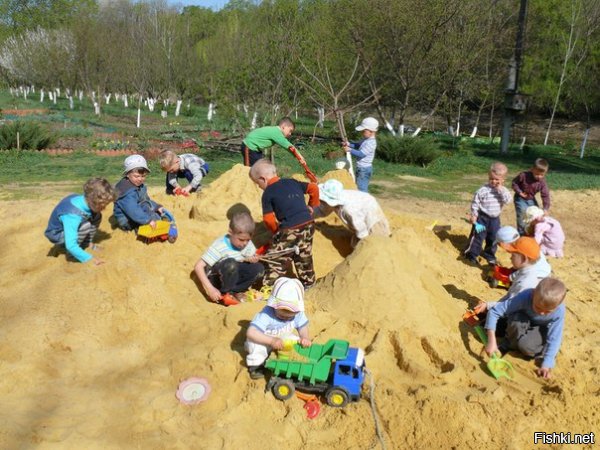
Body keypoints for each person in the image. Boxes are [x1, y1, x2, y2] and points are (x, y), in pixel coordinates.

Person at [249, 159, 319, 288]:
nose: (259, 187)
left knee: (276, 258)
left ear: (263, 179)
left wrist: (276, 233)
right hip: (309, 224)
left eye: (257, 183)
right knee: (304, 253)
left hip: (289, 229)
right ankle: (308, 283)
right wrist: (311, 206)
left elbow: (269, 219)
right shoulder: (292, 182)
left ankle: (269, 288)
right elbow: (313, 188)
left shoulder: (268, 193)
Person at [483, 277, 567, 379]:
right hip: (522, 319)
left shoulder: (559, 311)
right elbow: (495, 311)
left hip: (540, 329)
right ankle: (509, 344)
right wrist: (491, 341)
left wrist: (546, 365)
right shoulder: (526, 296)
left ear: (557, 306)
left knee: (526, 347)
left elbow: (554, 337)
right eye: (538, 307)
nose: (541, 312)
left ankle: (534, 349)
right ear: (533, 294)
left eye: (547, 312)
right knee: (514, 319)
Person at [245, 277, 311, 379]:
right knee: (257, 348)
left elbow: (302, 326)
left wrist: (304, 337)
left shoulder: (298, 313)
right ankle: (256, 366)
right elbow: (251, 333)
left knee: (295, 340)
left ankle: (282, 359)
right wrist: (271, 341)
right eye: (281, 315)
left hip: (281, 338)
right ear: (273, 306)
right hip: (264, 339)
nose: (285, 318)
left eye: (290, 316)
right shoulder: (266, 314)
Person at [193, 212, 264, 306]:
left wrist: (253, 259)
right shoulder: (220, 246)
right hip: (217, 278)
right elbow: (198, 266)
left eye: (248, 240)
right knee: (231, 264)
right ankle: (224, 294)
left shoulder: (247, 244)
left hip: (233, 276)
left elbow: (247, 260)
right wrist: (210, 289)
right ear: (230, 232)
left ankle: (235, 292)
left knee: (258, 268)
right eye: (241, 240)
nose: (245, 243)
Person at [44, 178, 117, 265]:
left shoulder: (85, 200)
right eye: (102, 205)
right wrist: (89, 259)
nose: (104, 208)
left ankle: (86, 243)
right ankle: (72, 255)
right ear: (92, 201)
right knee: (85, 226)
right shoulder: (72, 216)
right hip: (57, 234)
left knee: (97, 216)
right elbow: (70, 245)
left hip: (71, 224)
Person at [475, 237, 547, 316]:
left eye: (513, 255)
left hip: (517, 316)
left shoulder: (525, 283)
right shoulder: (524, 271)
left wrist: (488, 306)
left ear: (524, 259)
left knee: (490, 316)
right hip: (513, 307)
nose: (510, 257)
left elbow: (510, 305)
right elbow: (508, 297)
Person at [313, 179, 390, 247]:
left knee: (376, 242)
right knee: (356, 243)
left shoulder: (349, 210)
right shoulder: (332, 202)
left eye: (322, 200)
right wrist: (306, 215)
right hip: (359, 207)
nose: (320, 201)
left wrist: (363, 242)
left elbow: (361, 230)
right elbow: (321, 210)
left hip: (370, 210)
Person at [464, 162, 512, 266]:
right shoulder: (483, 190)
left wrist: (500, 190)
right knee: (478, 236)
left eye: (497, 180)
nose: (493, 181)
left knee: (493, 238)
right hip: (482, 218)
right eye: (491, 178)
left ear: (503, 180)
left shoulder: (503, 191)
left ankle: (489, 255)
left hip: (495, 219)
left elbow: (508, 200)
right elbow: (475, 203)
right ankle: (471, 254)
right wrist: (474, 215)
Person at [113, 154, 165, 231]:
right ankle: (146, 228)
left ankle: (158, 222)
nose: (140, 179)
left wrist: (157, 207)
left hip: (138, 212)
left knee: (151, 209)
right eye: (136, 176)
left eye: (143, 176)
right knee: (147, 212)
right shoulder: (125, 190)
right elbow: (133, 210)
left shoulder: (140, 186)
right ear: (127, 174)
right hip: (126, 219)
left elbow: (146, 201)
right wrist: (148, 220)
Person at [241, 116, 307, 168]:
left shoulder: (274, 130)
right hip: (249, 147)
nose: (290, 134)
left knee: (260, 168)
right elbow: (289, 146)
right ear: (284, 126)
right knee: (251, 169)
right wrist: (300, 157)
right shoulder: (277, 133)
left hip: (254, 149)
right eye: (290, 130)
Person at [512, 158, 551, 235]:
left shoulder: (542, 182)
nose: (539, 176)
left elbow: (545, 195)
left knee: (536, 215)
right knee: (522, 215)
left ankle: (533, 232)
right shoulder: (523, 175)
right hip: (520, 198)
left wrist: (545, 208)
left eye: (541, 175)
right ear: (532, 169)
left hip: (531, 199)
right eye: (537, 174)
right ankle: (521, 234)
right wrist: (519, 192)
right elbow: (514, 183)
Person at [343, 117, 379, 192]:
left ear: (371, 131)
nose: (362, 133)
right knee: (358, 186)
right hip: (360, 168)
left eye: (364, 131)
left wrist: (349, 150)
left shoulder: (371, 143)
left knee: (361, 189)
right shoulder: (366, 139)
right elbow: (357, 145)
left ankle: (363, 202)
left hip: (364, 169)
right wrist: (349, 144)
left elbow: (361, 154)